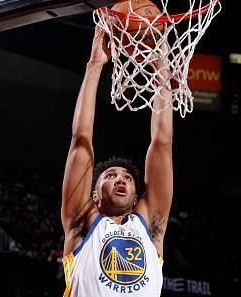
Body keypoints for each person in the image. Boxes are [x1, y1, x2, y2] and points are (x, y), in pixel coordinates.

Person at [61, 25, 173, 297]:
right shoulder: (82, 222)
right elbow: (81, 139)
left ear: (136, 198)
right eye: (109, 176)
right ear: (95, 196)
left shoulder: (150, 226)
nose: (120, 178)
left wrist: (162, 69)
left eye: (127, 177)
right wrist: (95, 65)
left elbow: (162, 144)